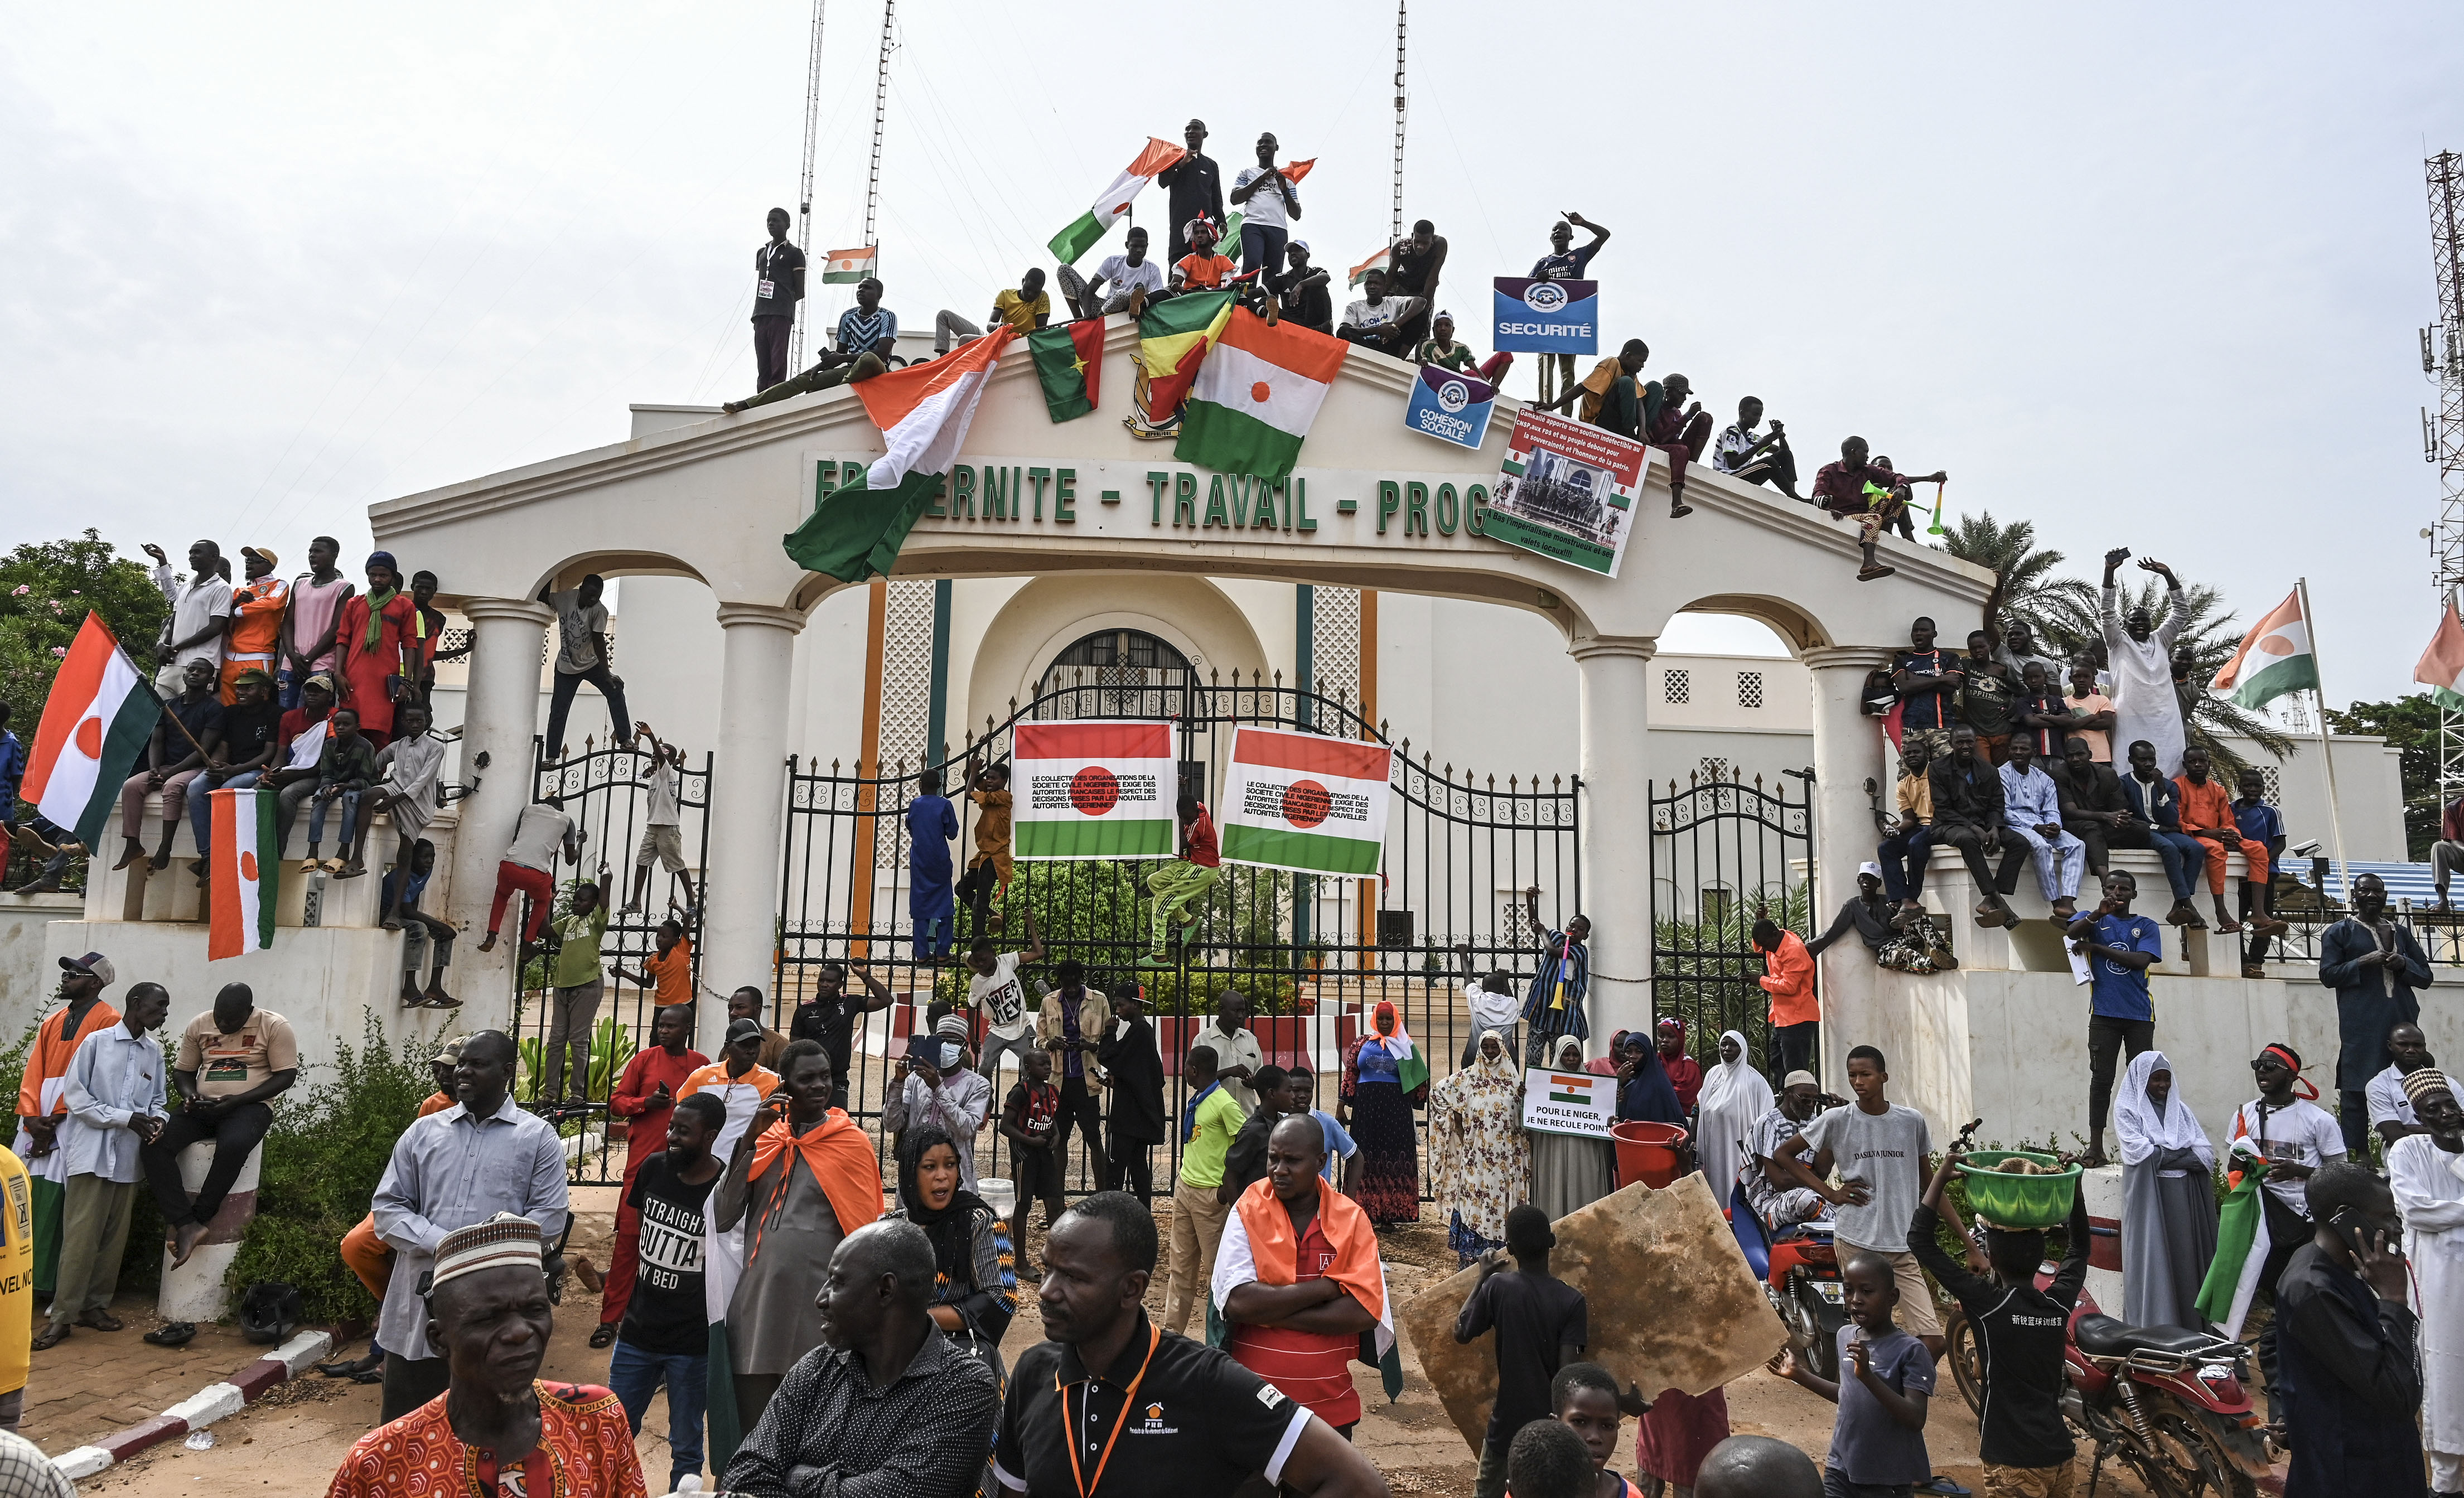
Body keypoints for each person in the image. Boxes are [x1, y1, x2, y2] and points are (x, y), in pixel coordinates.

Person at [994, 1191, 1390, 1498]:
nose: (1047, 1291)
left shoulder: (1206, 1382)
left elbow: (1357, 1483)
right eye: (1047, 1269)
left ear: (1132, 1289)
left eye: (1073, 1278)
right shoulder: (1032, 1374)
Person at [325, 1213, 648, 1498]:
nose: (520, 1332)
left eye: (535, 1310)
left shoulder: (597, 1420)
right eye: (489, 1318)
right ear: (439, 1340)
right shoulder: (380, 1464)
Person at [368, 1031, 571, 1419]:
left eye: (477, 1064)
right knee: (406, 1438)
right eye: (461, 1063)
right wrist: (447, 1244)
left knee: (485, 1438)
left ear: (507, 1071)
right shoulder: (423, 1133)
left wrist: (480, 1252)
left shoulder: (537, 1138)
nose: (462, 1072)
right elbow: (389, 1208)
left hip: (495, 1315)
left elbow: (549, 1219)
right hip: (417, 1312)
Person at [714, 1041, 882, 1436]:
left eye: (825, 1076)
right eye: (807, 1079)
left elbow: (867, 1240)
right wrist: (748, 1139)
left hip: (818, 1317)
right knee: (755, 1438)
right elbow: (723, 1215)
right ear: (784, 1085)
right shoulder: (766, 1139)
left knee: (810, 1440)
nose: (820, 1086)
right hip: (757, 1309)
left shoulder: (850, 1143)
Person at [1908, 1146, 2090, 1496]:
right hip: (2061, 1455)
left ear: (1990, 1256)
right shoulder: (2057, 1303)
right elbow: (2080, 1249)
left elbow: (1919, 1241)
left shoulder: (1988, 1304)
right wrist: (2075, 1188)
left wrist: (1940, 1179)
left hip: (2013, 1461)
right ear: (2041, 1259)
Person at [1215, 1113, 1393, 1439]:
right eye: (1273, 1158)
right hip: (1251, 1405)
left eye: (1292, 1161)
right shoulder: (1248, 1210)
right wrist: (1327, 1287)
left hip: (1328, 1411)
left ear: (1321, 1161)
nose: (1278, 1170)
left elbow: (1365, 1312)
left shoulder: (1351, 1220)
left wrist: (1272, 1313)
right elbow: (1238, 1302)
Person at [1775, 1046, 1942, 1357]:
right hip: (1857, 1241)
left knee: (1933, 1340)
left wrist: (1970, 1246)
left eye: (1865, 1074)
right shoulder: (1838, 1120)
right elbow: (1783, 1154)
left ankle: (1901, 1393)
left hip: (1902, 1245)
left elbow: (1929, 1183)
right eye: (1852, 1075)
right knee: (1868, 1337)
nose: (1858, 1082)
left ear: (1884, 1077)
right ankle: (1876, 1399)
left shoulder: (1911, 1121)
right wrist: (1830, 1194)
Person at [2274, 1161, 2427, 1495]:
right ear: (2346, 1218)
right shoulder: (2313, 1286)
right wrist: (2395, 1299)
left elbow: (2280, 1347)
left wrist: (2288, 1408)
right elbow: (2399, 1396)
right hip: (2351, 1466)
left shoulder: (2337, 1266)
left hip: (2372, 1447)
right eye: (2387, 1216)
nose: (2397, 1228)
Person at [32, 980, 168, 1352]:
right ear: (137, 1005)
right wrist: (127, 1119)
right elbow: (77, 1100)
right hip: (91, 1155)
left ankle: (94, 1307)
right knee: (79, 1240)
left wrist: (158, 1122)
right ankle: (62, 1318)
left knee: (112, 1240)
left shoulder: (153, 1053)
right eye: (159, 1007)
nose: (164, 1015)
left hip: (126, 1159)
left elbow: (158, 1101)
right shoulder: (97, 1043)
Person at [606, 1090, 722, 1492]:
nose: (671, 1136)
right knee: (612, 1431)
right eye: (671, 1127)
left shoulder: (723, 1190)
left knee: (687, 1444)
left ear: (709, 1137)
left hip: (691, 1343)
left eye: (683, 1132)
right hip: (637, 1333)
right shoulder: (653, 1169)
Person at [141, 982, 296, 1277]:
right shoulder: (201, 1024)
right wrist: (190, 1095)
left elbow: (286, 1075)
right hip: (204, 1107)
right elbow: (184, 1071)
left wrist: (239, 1100)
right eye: (220, 1018)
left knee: (234, 1146)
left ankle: (200, 1218)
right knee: (155, 1140)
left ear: (248, 1012)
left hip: (251, 1106)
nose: (223, 1025)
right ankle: (185, 1223)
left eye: (231, 1021)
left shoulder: (274, 1026)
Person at [2233, 1042, 2349, 1422]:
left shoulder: (2318, 1120)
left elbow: (2342, 1177)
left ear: (2292, 1075)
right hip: (2262, 1224)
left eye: (2270, 1066)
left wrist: (2300, 1173)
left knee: (2295, 1303)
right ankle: (2259, 1378)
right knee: (2262, 1297)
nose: (2261, 1071)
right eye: (2257, 1065)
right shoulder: (2246, 1114)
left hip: (2305, 1226)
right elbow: (2235, 1162)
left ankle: (2300, 1385)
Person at [1455, 1206, 1594, 1498]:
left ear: (1509, 1247)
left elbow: (1462, 1332)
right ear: (1552, 1242)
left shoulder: (1498, 1287)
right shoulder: (1572, 1301)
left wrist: (1481, 1277)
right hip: (1552, 1434)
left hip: (1505, 1430)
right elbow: (1568, 1378)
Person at [590, 1003, 708, 1348]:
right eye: (661, 1025)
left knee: (677, 1245)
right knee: (629, 1239)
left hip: (686, 1170)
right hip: (643, 1166)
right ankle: (610, 1320)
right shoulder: (643, 1060)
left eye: (671, 1026)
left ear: (687, 1028)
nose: (663, 1030)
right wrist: (645, 1104)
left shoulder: (701, 1066)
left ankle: (662, 1320)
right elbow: (616, 1102)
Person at [1769, 1251, 1934, 1495]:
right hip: (1841, 1466)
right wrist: (1799, 1374)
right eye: (1848, 1290)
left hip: (1886, 1475)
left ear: (1892, 1297)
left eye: (1867, 1292)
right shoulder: (1845, 1335)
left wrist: (1868, 1376)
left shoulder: (1911, 1350)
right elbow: (1848, 1395)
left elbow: (1915, 1417)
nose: (1855, 1300)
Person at [13, 955, 120, 1305]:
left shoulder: (109, 1020)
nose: (65, 978)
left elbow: (96, 1080)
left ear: (95, 983)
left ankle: (46, 1284)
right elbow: (34, 1070)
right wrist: (31, 1117)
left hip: (74, 1121)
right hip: (37, 1120)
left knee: (62, 1203)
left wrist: (56, 1119)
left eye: (73, 974)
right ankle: (17, 1275)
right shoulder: (54, 1020)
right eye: (65, 973)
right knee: (25, 1197)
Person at [882, 1123, 1016, 1394]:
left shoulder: (979, 1223)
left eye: (951, 1165)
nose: (942, 1176)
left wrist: (919, 1317)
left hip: (961, 1365)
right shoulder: (888, 1229)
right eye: (929, 1167)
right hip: (894, 1361)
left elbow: (1001, 1296)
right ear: (909, 1173)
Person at [2319, 870, 2434, 1160]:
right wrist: (2363, 961)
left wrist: (2403, 963)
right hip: (2361, 1023)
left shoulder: (2401, 932)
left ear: (2385, 896)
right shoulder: (2339, 931)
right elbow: (2328, 975)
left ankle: (2422, 1141)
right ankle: (2359, 1152)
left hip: (2403, 1020)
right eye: (2365, 891)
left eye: (2378, 891)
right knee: (2356, 1086)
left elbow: (2426, 976)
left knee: (2416, 1081)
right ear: (2354, 896)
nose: (2372, 896)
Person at [2388, 1072, 2464, 1495]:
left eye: (2449, 1104)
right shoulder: (2407, 1150)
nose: (2445, 1114)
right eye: (2432, 1109)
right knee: (2445, 1373)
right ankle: (2447, 1482)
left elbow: (2439, 1212)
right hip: (2438, 1282)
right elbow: (2417, 1212)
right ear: (2417, 1115)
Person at [2110, 1050, 2220, 1330]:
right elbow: (2138, 1153)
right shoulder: (2128, 1111)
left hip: (2184, 1201)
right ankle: (2157, 1330)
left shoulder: (2181, 1111)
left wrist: (2162, 1154)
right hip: (2150, 1201)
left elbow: (2205, 1155)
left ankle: (2191, 1329)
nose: (2162, 1085)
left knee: (2186, 1265)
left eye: (2166, 1079)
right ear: (2141, 1080)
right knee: (2155, 1265)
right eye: (2155, 1079)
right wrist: (2180, 1153)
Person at [2066, 869, 2164, 1167]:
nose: (2117, 893)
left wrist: (2096, 948)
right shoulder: (2093, 918)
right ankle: (2096, 1148)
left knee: (2142, 1081)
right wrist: (2098, 913)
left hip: (2139, 1016)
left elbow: (2140, 961)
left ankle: (2145, 1142)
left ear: (2134, 894)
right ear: (2103, 890)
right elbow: (2071, 934)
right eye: (2111, 888)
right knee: (2101, 1081)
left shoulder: (2146, 925)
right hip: (2104, 1015)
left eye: (2124, 889)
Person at [721, 274, 895, 415]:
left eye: (867, 288)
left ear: (878, 295)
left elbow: (882, 354)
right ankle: (747, 404)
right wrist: (819, 367)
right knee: (804, 380)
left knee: (867, 358)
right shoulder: (848, 317)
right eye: (860, 287)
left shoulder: (887, 316)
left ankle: (836, 394)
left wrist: (841, 358)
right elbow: (838, 354)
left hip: (877, 370)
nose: (861, 291)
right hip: (850, 371)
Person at [113, 655, 223, 873]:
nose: (194, 673)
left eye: (201, 672)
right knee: (131, 786)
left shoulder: (214, 709)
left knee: (172, 787)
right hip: (165, 768)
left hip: (194, 768)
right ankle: (132, 843)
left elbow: (205, 749)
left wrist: (172, 771)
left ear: (211, 680)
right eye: (191, 670)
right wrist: (154, 768)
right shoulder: (169, 707)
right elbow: (157, 740)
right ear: (183, 676)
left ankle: (165, 846)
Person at [1165, 1044, 1245, 1337]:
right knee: (1180, 1265)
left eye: (1186, 1066)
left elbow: (1244, 1142)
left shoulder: (1224, 1103)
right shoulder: (1200, 1098)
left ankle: (1221, 1336)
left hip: (1210, 1195)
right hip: (1186, 1187)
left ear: (1194, 1070)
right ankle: (1172, 1332)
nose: (1184, 1070)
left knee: (1216, 1269)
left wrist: (1226, 1187)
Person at [1430, 1032, 1528, 1267]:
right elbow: (1438, 1094)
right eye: (1486, 1047)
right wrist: (1457, 1130)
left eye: (1495, 1047)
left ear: (1502, 1050)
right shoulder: (1469, 1080)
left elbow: (1525, 1120)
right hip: (1478, 1161)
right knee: (1476, 1207)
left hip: (1507, 1165)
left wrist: (1524, 1099)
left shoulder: (1514, 1083)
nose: (1491, 1052)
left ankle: (1505, 1260)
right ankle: (1473, 1264)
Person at [2099, 550, 2191, 777]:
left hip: (2166, 719)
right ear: (2126, 624)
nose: (2140, 624)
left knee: (2171, 770)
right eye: (2134, 621)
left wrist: (2168, 575)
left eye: (2144, 620)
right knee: (2128, 771)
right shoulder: (2118, 642)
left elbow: (2182, 612)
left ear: (2152, 623)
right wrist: (2109, 571)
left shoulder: (2161, 640)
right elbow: (2107, 612)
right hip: (2130, 717)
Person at [1809, 438, 1947, 583]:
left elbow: (1897, 477)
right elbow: (1818, 495)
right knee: (1874, 518)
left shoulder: (1867, 471)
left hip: (1866, 515)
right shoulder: (1829, 471)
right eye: (1865, 452)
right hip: (1845, 517)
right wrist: (1828, 508)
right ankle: (1868, 563)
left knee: (1897, 495)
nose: (1868, 457)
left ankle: (1886, 531)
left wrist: (1901, 488)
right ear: (1854, 452)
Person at [1927, 723, 2023, 928]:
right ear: (1950, 743)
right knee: (1968, 839)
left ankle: (1990, 900)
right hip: (1947, 825)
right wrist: (1975, 828)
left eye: (1969, 742)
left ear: (1975, 743)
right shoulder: (1937, 768)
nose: (1965, 746)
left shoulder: (1989, 770)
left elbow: (1996, 806)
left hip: (1984, 824)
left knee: (2020, 842)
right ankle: (1999, 901)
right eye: (1960, 742)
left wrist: (1995, 829)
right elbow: (1943, 809)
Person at [1341, 1001, 1427, 1227]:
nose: (1385, 1023)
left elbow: (1420, 1077)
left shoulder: (1406, 1045)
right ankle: (1363, 1211)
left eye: (1389, 1019)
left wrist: (1417, 1100)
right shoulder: (1361, 1043)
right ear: (1375, 1020)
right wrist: (1342, 1105)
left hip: (1395, 1109)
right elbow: (1351, 1073)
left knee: (1393, 1158)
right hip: (1366, 1109)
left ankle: (1389, 1213)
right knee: (1364, 1156)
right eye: (1381, 1019)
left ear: (1396, 1020)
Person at [2173, 743, 2272, 936]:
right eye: (2193, 762)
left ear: (2209, 764)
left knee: (2260, 849)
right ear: (2185, 765)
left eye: (2202, 761)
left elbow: (2228, 820)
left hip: (2219, 835)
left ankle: (2259, 913)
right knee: (2217, 851)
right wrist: (2206, 833)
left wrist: (2231, 834)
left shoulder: (2218, 790)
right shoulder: (2177, 786)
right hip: (2194, 836)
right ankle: (2221, 912)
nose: (2198, 765)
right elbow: (2176, 820)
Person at [885, 1026, 993, 1192]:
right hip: (916, 1168)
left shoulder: (978, 1085)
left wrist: (938, 1088)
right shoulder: (915, 1078)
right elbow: (891, 1124)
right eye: (940, 1040)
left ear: (964, 1047)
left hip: (955, 1174)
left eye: (952, 1041)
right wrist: (898, 1083)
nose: (945, 1045)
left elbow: (966, 1130)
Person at [2113, 737, 2209, 925]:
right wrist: (2158, 827)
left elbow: (2171, 819)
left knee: (2197, 848)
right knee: (2169, 849)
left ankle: (2178, 904)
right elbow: (2127, 818)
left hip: (2167, 830)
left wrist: (2160, 788)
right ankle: (2189, 904)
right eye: (2143, 760)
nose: (2149, 764)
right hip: (2141, 833)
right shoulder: (2122, 784)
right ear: (2131, 760)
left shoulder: (2168, 785)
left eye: (2152, 759)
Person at [352, 699, 445, 889]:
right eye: (410, 721)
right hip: (396, 787)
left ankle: (396, 909)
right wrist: (370, 780)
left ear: (427, 721)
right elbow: (376, 762)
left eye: (419, 721)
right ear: (403, 721)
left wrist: (396, 800)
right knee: (368, 795)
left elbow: (423, 780)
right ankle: (356, 857)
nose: (415, 724)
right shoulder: (398, 745)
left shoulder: (435, 747)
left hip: (418, 802)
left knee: (405, 853)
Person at [1035, 960, 1111, 1188]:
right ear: (1059, 982)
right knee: (1060, 1141)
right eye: (1066, 983)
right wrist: (1051, 1043)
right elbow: (1039, 1040)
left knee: (1094, 1139)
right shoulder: (1049, 1002)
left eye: (1075, 982)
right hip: (1059, 1083)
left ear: (1082, 980)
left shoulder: (1098, 1000)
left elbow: (1109, 1040)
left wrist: (1090, 1046)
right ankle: (1057, 1198)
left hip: (1087, 1081)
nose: (1070, 987)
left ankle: (1101, 1195)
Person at [538, 866, 611, 1103]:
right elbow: (545, 931)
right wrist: (548, 902)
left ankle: (577, 1093)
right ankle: (550, 1093)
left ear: (593, 903)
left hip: (587, 985)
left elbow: (606, 890)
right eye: (575, 899)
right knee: (556, 1039)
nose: (576, 903)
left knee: (578, 1040)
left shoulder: (597, 920)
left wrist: (606, 874)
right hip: (562, 987)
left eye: (582, 900)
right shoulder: (569, 921)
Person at [537, 573, 629, 760]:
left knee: (615, 689)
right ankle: (552, 757)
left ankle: (625, 739)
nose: (593, 600)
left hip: (591, 663)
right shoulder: (566, 599)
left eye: (598, 596)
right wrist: (547, 573)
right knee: (558, 711)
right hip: (565, 667)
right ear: (581, 590)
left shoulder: (599, 611)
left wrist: (607, 674)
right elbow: (544, 596)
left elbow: (598, 642)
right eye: (590, 595)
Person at [331, 552, 417, 750]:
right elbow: (343, 639)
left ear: (392, 577)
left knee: (380, 734)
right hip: (353, 679)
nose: (377, 579)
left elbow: (410, 644)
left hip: (384, 682)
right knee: (350, 731)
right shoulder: (355, 604)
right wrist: (338, 673)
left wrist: (407, 681)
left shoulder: (404, 606)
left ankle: (374, 779)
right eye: (373, 574)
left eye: (383, 575)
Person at [1997, 732, 2087, 919]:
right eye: (2014, 748)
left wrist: (2054, 825)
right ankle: (2056, 902)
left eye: (2024, 749)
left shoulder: (2044, 778)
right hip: (2016, 825)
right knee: (2041, 845)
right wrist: (2036, 827)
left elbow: (2052, 808)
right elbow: (2005, 812)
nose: (2018, 752)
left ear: (2034, 752)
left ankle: (2068, 901)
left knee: (2077, 845)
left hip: (2043, 823)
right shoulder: (2001, 774)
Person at [786, 959, 893, 1112]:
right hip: (809, 1077)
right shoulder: (805, 1009)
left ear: (840, 985)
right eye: (821, 980)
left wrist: (865, 976)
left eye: (830, 981)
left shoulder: (850, 1003)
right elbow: (795, 1046)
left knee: (837, 1125)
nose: (824, 984)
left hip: (836, 1079)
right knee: (808, 1125)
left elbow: (886, 1000)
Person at [476, 798, 579, 954]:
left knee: (502, 895)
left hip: (510, 867)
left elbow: (516, 839)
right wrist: (581, 841)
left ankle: (491, 936)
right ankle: (528, 942)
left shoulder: (528, 810)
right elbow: (571, 860)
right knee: (542, 900)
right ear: (561, 810)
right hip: (536, 875)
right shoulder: (567, 821)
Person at [1530, 1035, 1616, 1221]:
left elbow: (1602, 1115)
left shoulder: (1595, 1086)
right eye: (1566, 1054)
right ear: (1558, 1056)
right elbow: (1535, 1117)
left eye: (1575, 1055)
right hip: (1556, 1152)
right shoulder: (1544, 1084)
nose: (1571, 1059)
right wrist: (1527, 1097)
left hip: (1584, 1150)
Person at [1528, 212, 1611, 407]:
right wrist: (1537, 280)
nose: (1559, 231)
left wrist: (1583, 223)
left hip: (1569, 321)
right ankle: (1545, 407)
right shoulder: (1543, 263)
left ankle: (1565, 416)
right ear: (1551, 238)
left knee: (1568, 372)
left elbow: (1604, 235)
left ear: (1571, 237)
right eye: (1555, 229)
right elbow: (1525, 289)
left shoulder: (1579, 256)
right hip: (1546, 323)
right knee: (1545, 366)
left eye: (1564, 229)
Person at [1000, 1048, 1067, 1280]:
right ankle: (1020, 1262)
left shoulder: (1052, 1092)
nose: (1047, 1067)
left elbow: (1051, 1118)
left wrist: (1056, 1135)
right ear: (1028, 1068)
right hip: (1024, 1154)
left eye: (1048, 1063)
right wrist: (1030, 1141)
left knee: (1054, 1204)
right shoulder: (1021, 1092)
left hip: (1044, 1153)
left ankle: (1058, 1260)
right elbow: (1005, 1126)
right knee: (1023, 1205)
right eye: (1042, 1064)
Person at [676, 1019, 783, 1163]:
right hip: (699, 1166)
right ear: (728, 1047)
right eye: (744, 1045)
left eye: (755, 1045)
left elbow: (779, 1129)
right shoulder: (700, 1077)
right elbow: (680, 1118)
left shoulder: (773, 1082)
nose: (751, 1051)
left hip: (744, 1168)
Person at [1098, 984, 1166, 1202]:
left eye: (1120, 1005)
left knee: (1116, 1170)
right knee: (1138, 1168)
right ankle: (1143, 1214)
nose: (1117, 1010)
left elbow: (1108, 1057)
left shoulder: (1138, 1031)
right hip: (1139, 1115)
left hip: (1128, 1117)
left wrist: (1109, 1031)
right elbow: (1141, 1072)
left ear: (1135, 1005)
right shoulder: (1143, 1032)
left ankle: (1112, 1216)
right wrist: (1118, 1080)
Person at [141, 539, 233, 698]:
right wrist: (162, 643)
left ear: (214, 557)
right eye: (191, 552)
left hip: (200, 664)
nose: (192, 556)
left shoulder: (221, 588)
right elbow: (173, 621)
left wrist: (178, 646)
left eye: (197, 552)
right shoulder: (185, 588)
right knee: (159, 714)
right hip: (172, 662)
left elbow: (215, 628)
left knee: (189, 717)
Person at [963, 910, 1047, 1084]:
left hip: (1021, 1028)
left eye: (984, 960)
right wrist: (971, 1035)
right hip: (998, 1030)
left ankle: (1027, 1100)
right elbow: (971, 1005)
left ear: (993, 953)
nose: (981, 965)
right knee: (984, 1068)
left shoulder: (1006, 961)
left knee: (1029, 1069)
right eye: (977, 962)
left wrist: (1030, 924)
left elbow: (1039, 953)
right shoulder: (977, 982)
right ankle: (986, 1101)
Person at [622, 721, 697, 914]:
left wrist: (650, 736)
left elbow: (662, 761)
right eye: (654, 757)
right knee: (642, 862)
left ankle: (691, 902)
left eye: (660, 757)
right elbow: (654, 765)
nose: (655, 758)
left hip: (667, 827)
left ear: (669, 761)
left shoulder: (667, 773)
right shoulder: (656, 776)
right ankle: (636, 902)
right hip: (653, 827)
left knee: (677, 865)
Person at [1745, 1072, 1833, 1234]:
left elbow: (1823, 1171)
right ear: (1787, 1094)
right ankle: (1843, 1229)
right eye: (1805, 1099)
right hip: (1770, 1201)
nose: (1811, 1104)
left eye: (1815, 1100)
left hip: (1810, 1192)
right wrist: (1813, 1176)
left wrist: (1831, 1120)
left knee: (1855, 1200)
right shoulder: (1767, 1123)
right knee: (1804, 1200)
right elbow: (1779, 1182)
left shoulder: (1815, 1122)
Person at [1547, 1363, 1653, 1498]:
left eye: (1607, 1426)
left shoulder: (1631, 1496)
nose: (1595, 1437)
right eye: (1580, 1422)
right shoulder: (1528, 1490)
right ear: (1556, 1426)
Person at [295, 704, 377, 873]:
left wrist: (347, 786)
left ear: (357, 727)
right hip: (334, 784)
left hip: (356, 786)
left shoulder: (365, 747)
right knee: (319, 797)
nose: (340, 728)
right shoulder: (329, 745)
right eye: (337, 724)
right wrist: (326, 786)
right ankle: (313, 851)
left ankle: (343, 850)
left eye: (346, 724)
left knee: (350, 798)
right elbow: (326, 773)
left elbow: (366, 779)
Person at [1694, 1030, 1773, 1201]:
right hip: (1713, 1152)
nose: (1727, 1049)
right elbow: (1699, 1109)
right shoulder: (1713, 1076)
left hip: (1739, 1153)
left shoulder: (1754, 1082)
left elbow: (1767, 1119)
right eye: (1724, 1044)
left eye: (1733, 1045)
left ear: (1743, 1049)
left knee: (1735, 1191)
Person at [278, 537, 354, 712]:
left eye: (318, 551)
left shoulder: (344, 587)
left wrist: (307, 659)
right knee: (286, 716)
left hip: (321, 664)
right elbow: (288, 622)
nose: (312, 556)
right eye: (311, 552)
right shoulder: (300, 584)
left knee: (314, 720)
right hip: (292, 663)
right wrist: (291, 654)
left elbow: (337, 628)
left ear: (334, 555)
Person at [1520, 888, 1592, 1067]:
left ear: (1586, 936)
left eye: (1580, 929)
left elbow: (1552, 951)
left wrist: (1543, 931)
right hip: (1541, 1010)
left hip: (1562, 1017)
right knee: (1532, 1058)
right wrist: (1530, 901)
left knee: (1558, 1061)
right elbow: (1534, 924)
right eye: (1572, 926)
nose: (1574, 930)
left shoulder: (1580, 951)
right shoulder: (1555, 936)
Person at [2051, 734, 2129, 879]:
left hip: (2104, 825)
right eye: (2070, 756)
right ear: (2064, 757)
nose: (2075, 759)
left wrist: (2120, 817)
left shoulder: (2107, 774)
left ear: (2090, 754)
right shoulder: (2059, 773)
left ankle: (2099, 842)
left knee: (2140, 828)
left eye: (2080, 754)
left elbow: (2120, 808)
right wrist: (2105, 816)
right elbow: (2070, 812)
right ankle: (2105, 880)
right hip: (2074, 824)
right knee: (2091, 829)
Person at [2367, 1022, 2456, 1148]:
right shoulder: (2379, 1086)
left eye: (2417, 1045)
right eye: (2403, 1045)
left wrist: (2417, 1129)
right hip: (2405, 1156)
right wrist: (2446, 1131)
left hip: (2450, 1153)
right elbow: (2395, 1136)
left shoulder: (2447, 1083)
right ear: (2390, 1046)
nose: (2411, 1050)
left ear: (2425, 1047)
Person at [219, 547, 288, 704]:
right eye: (247, 560)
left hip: (257, 656)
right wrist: (235, 604)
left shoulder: (279, 585)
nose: (249, 563)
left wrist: (238, 610)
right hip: (230, 657)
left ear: (270, 566)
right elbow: (225, 616)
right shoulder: (240, 591)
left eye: (256, 560)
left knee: (255, 708)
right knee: (228, 708)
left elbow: (272, 604)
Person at [1752, 918, 1819, 1080]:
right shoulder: (1776, 940)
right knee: (1779, 1068)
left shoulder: (1794, 951)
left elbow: (1789, 987)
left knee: (1795, 1074)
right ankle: (1784, 1103)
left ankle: (1798, 1104)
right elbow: (1760, 946)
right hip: (1783, 1018)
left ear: (1775, 935)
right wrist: (1757, 920)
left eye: (1766, 945)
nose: (1765, 950)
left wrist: (1761, 980)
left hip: (1798, 1018)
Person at [1889, 617, 1963, 762]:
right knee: (1909, 774)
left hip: (1943, 727)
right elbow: (1904, 687)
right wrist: (1941, 678)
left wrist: (1914, 679)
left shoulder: (1949, 658)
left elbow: (1951, 686)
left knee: (1947, 773)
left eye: (1923, 630)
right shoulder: (1902, 661)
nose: (1918, 634)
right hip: (1913, 728)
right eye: (1915, 631)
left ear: (1934, 634)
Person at [1229, 131, 1303, 276]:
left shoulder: (1286, 178)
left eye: (1268, 142)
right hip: (1253, 225)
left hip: (1278, 228)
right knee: (1252, 265)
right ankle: (1246, 299)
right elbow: (1235, 198)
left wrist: (1285, 190)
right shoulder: (1247, 173)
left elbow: (1296, 215)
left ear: (1276, 147)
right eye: (1260, 143)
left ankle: (1268, 300)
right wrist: (1262, 177)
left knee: (1274, 273)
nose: (1263, 145)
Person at [750, 206, 805, 393]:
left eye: (776, 221)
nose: (771, 224)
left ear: (787, 225)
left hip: (781, 313)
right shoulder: (762, 253)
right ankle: (761, 396)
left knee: (778, 359)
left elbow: (800, 291)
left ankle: (775, 396)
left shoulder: (794, 253)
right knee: (762, 361)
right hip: (761, 312)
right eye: (769, 221)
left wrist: (784, 304)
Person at [1880, 742, 1937, 920]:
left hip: (1941, 824)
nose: (1912, 755)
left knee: (1916, 843)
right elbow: (1909, 820)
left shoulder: (1938, 774)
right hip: (1920, 826)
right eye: (1908, 753)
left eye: (1916, 752)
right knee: (1886, 848)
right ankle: (1902, 899)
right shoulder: (1904, 785)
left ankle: (1911, 897)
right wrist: (1894, 829)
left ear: (1927, 754)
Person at [956, 755, 1013, 935]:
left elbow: (968, 793)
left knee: (980, 901)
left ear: (1004, 781)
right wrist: (979, 752)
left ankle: (978, 941)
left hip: (995, 857)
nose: (989, 781)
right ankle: (993, 913)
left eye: (993, 778)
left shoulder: (1002, 796)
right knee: (961, 889)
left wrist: (975, 772)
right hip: (984, 855)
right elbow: (969, 779)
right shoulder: (990, 795)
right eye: (987, 777)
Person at [907, 767, 959, 960]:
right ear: (939, 786)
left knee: (920, 905)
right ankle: (943, 952)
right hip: (939, 860)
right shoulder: (945, 805)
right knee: (945, 905)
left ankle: (921, 953)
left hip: (920, 861)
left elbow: (910, 827)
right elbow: (953, 833)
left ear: (920, 785)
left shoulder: (915, 805)